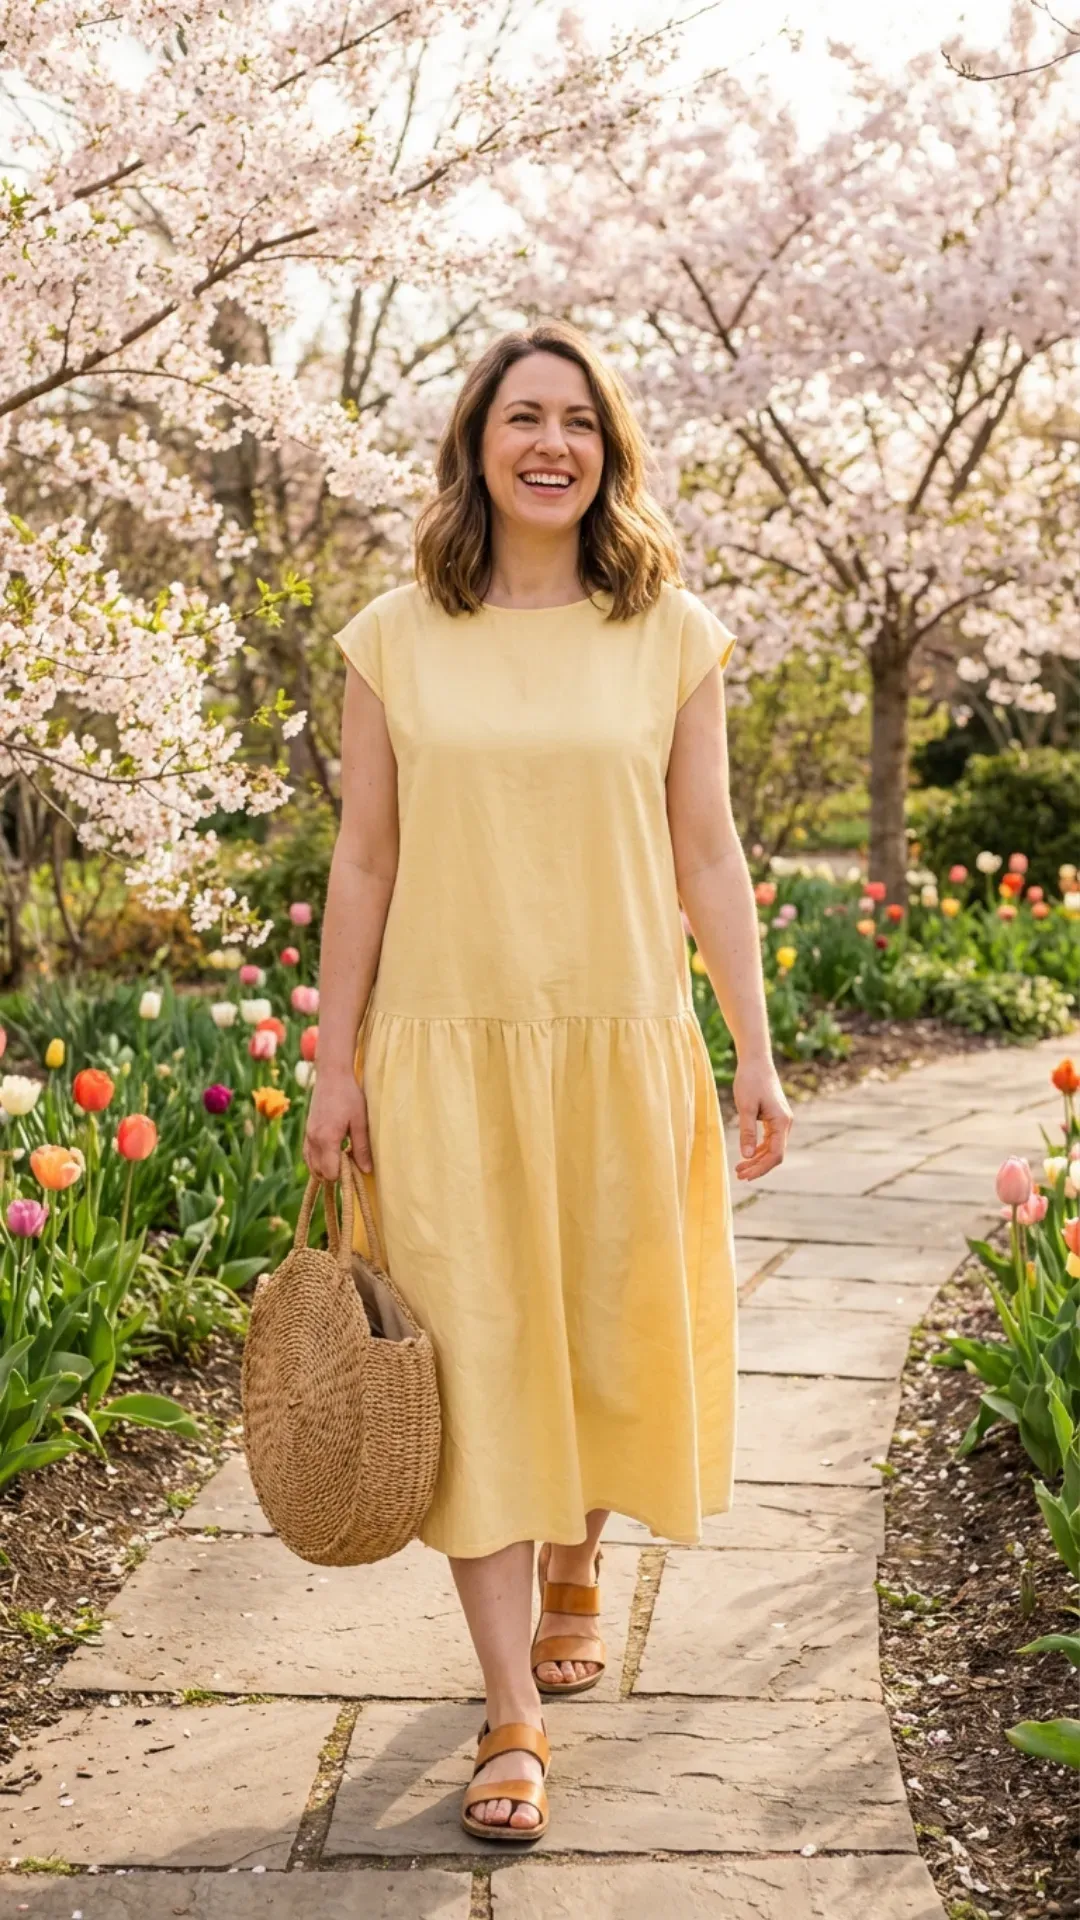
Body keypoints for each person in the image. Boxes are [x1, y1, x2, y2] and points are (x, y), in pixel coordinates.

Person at [303, 319, 792, 1845]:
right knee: (477, 1363)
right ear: (477, 442)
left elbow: (707, 854)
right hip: (443, 1057)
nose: (550, 444)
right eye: (523, 416)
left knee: (594, 1335)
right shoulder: (393, 638)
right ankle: (510, 1708)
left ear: (609, 453)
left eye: (579, 422)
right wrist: (333, 1059)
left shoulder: (671, 634)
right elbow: (364, 858)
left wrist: (755, 1048)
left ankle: (579, 1552)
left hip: (621, 1040)